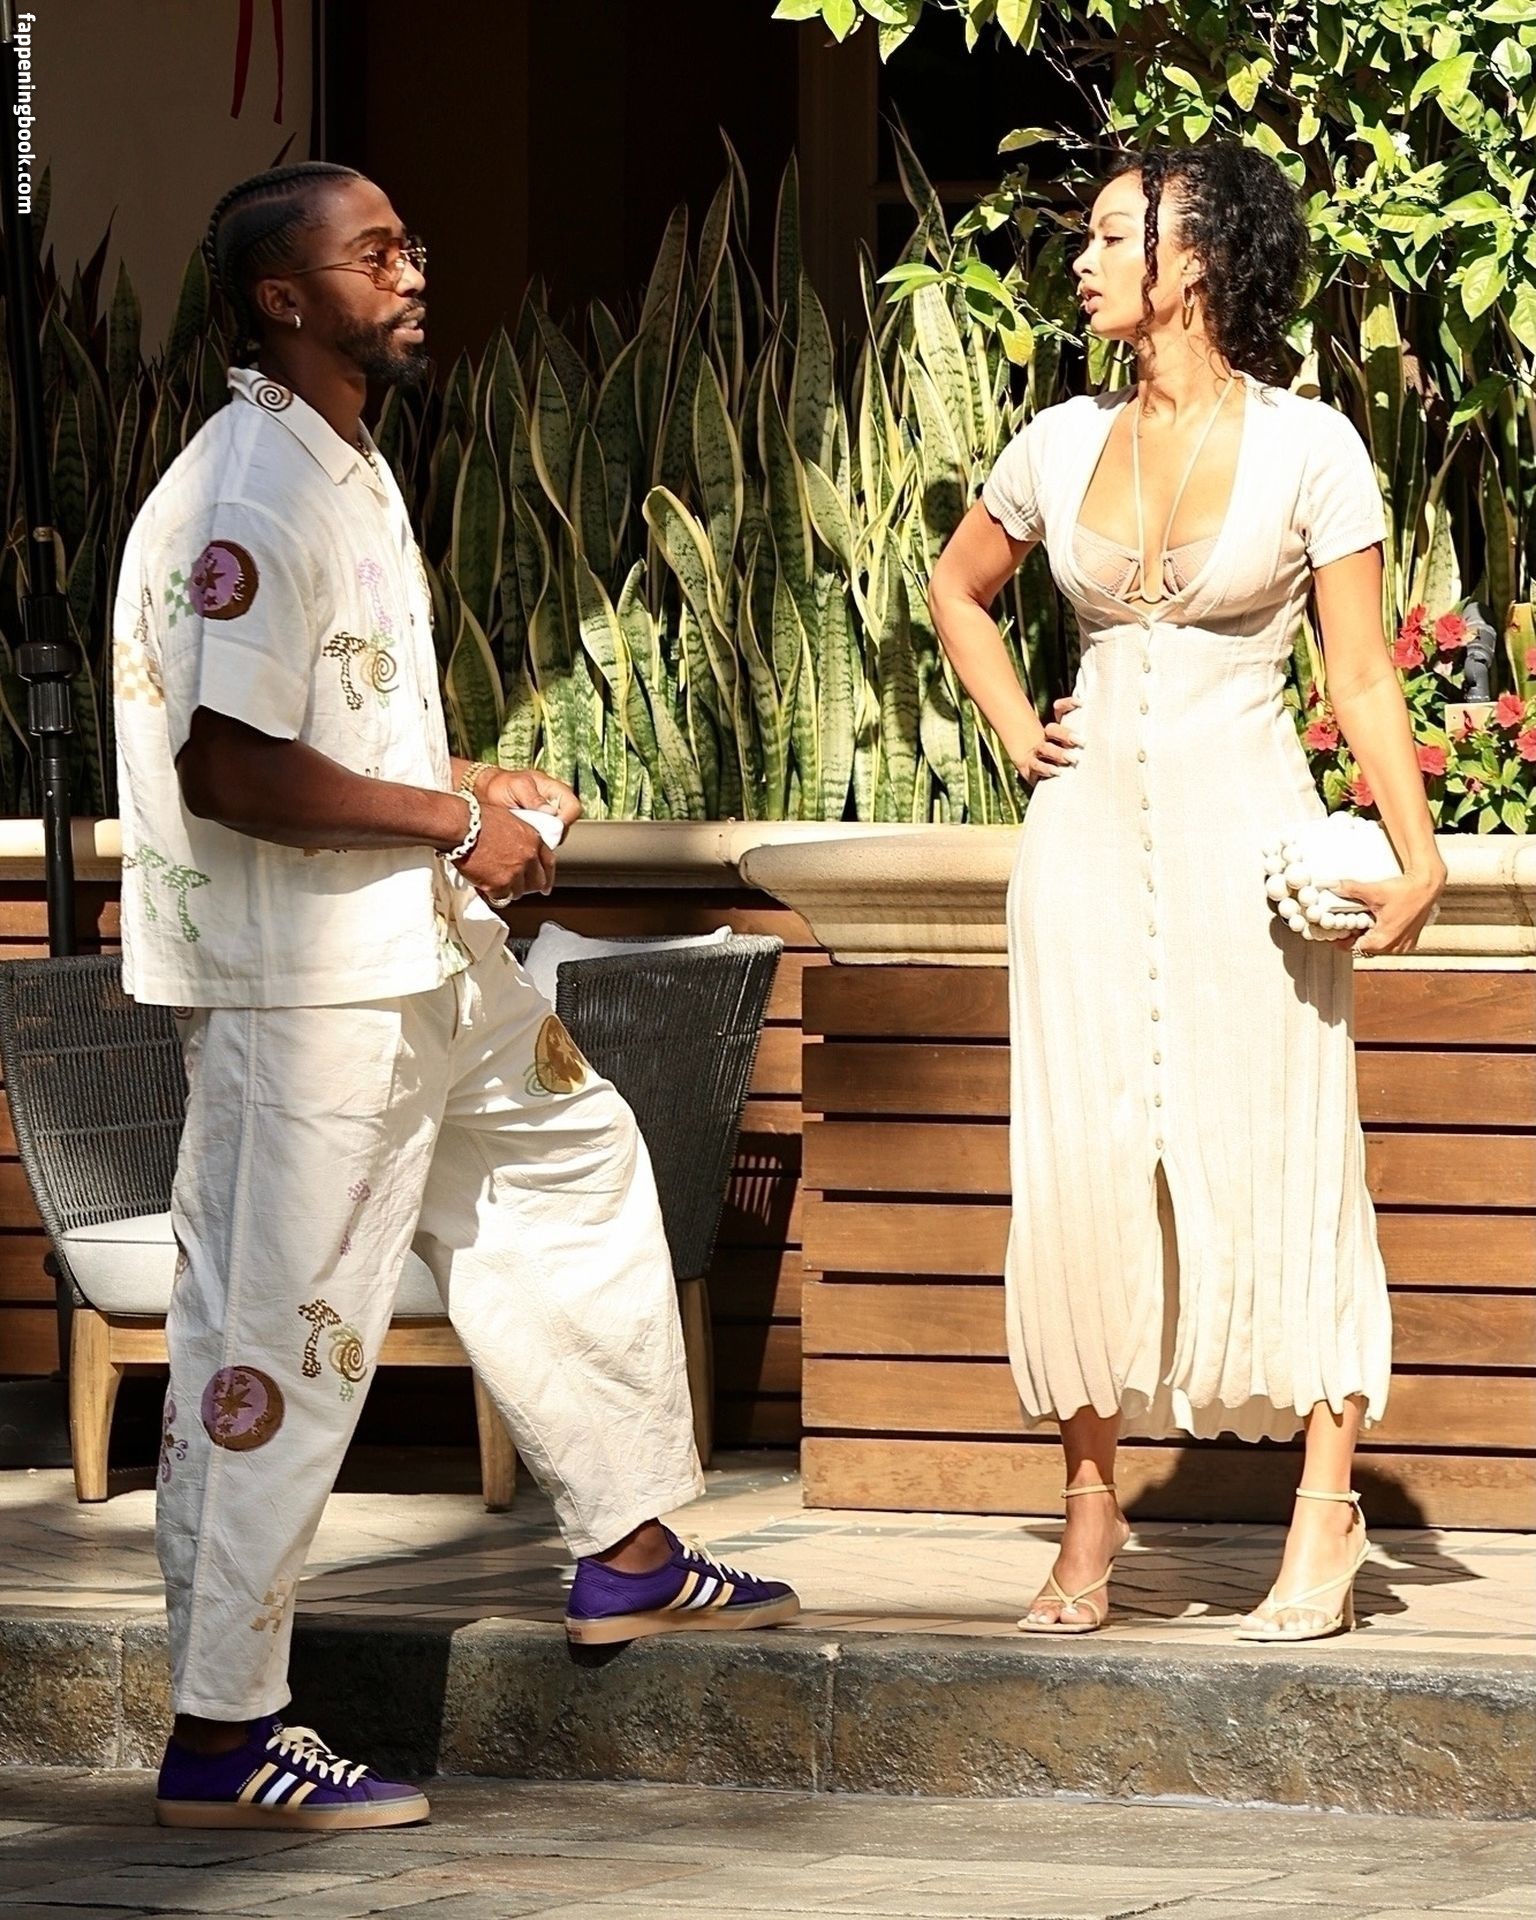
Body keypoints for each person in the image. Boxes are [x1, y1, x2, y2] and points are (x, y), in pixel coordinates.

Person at [113, 162, 798, 1834]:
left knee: (572, 1157)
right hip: (309, 988)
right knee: (280, 1338)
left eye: (412, 243)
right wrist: (451, 821)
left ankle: (629, 1546)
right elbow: (227, 768)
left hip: (411, 950)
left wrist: (466, 784)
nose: (413, 272)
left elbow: (322, 729)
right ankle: (223, 1734)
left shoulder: (340, 461)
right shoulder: (247, 491)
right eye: (373, 254)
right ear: (283, 298)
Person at [927, 142, 1444, 1644]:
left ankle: (1326, 1513)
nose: (1082, 263)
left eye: (1111, 237)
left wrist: (1417, 851)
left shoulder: (1312, 448)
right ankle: (1091, 1508)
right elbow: (958, 588)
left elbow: (1360, 672)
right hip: (1080, 852)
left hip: (1249, 851)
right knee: (1085, 1167)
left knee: (1288, 1155)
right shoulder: (1054, 444)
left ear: (1195, 258)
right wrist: (1015, 727)